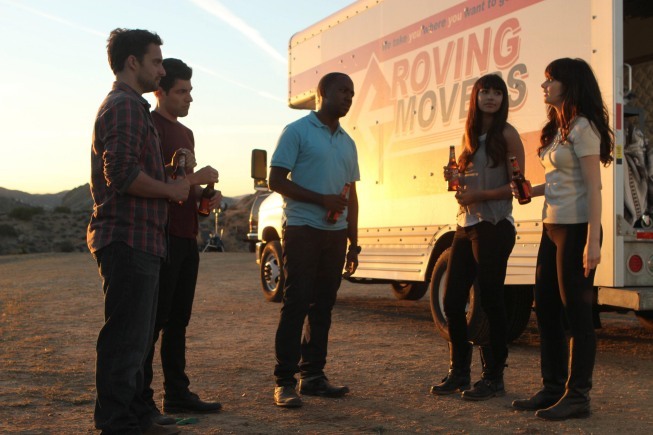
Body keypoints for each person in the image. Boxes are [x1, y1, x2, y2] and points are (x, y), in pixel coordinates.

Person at [88, 28, 189, 435]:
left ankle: (136, 415)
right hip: (127, 239)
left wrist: (174, 180)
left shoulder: (134, 107)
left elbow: (133, 170)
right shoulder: (125, 106)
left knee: (137, 338)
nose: (161, 71)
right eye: (156, 62)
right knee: (125, 340)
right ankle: (117, 423)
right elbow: (122, 174)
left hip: (143, 239)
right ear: (133, 62)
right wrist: (169, 188)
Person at [511, 58, 613, 420]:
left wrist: (593, 240)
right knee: (548, 310)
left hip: (576, 229)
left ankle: (578, 397)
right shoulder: (558, 129)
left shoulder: (584, 127)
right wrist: (528, 191)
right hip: (551, 228)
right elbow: (557, 182)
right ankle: (552, 388)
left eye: (550, 80)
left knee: (577, 315)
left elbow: (594, 187)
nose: (544, 86)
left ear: (569, 85)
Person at [430, 74, 525, 401]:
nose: (491, 97)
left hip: (495, 224)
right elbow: (464, 184)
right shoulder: (469, 136)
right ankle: (459, 372)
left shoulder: (508, 135)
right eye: (485, 91)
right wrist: (455, 179)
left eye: (497, 93)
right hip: (465, 223)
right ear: (476, 96)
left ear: (503, 99)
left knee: (491, 300)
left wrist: (480, 194)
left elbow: (518, 185)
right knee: (453, 301)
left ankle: (493, 377)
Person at [269, 72, 360, 408]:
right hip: (302, 229)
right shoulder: (297, 131)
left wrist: (353, 242)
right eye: (342, 91)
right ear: (323, 93)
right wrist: (320, 200)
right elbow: (275, 179)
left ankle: (314, 377)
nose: (348, 97)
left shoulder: (348, 143)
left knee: (323, 306)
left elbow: (351, 196)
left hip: (336, 236)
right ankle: (284, 382)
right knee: (296, 303)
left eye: (352, 93)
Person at [141, 58, 222, 425]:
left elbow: (181, 187)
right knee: (154, 321)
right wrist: (197, 177)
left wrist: (204, 201)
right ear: (161, 91)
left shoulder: (186, 134)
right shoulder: (150, 127)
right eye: (182, 91)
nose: (189, 98)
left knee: (179, 321)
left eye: (191, 91)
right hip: (161, 238)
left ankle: (177, 394)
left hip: (188, 236)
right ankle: (143, 399)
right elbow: (157, 185)